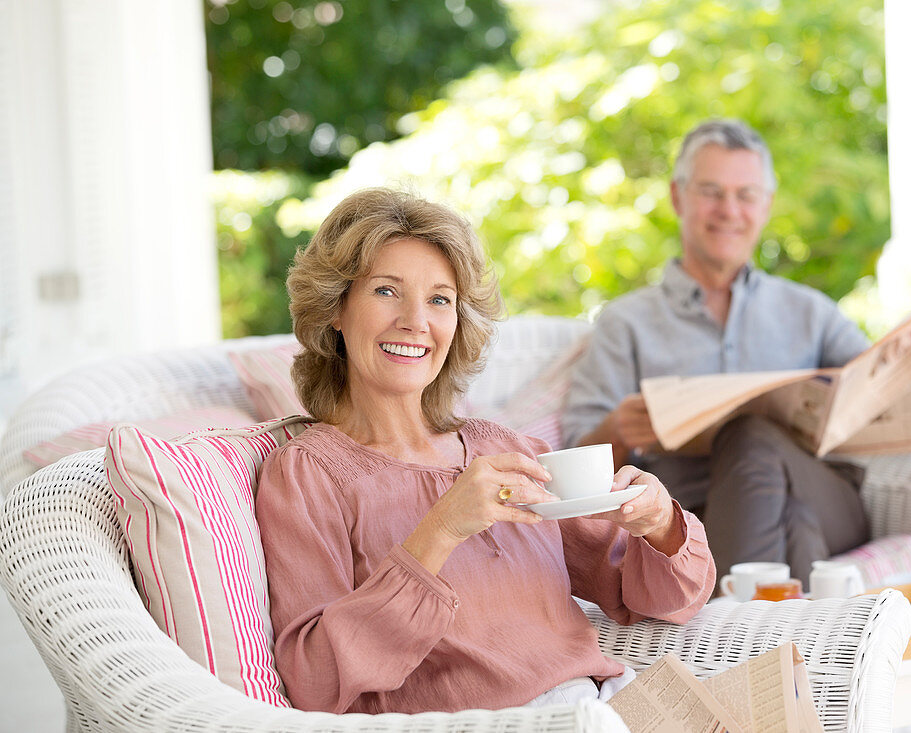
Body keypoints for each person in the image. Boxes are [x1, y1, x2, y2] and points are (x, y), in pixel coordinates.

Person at [254, 187, 715, 715]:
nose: (416, 321)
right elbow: (314, 678)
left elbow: (661, 599)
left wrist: (657, 524)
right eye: (386, 291)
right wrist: (442, 528)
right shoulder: (308, 475)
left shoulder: (508, 450)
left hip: (607, 706)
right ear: (336, 308)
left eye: (439, 299)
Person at [561, 119, 872, 585]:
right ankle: (800, 642)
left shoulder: (812, 312)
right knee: (795, 524)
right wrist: (618, 430)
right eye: (711, 191)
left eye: (746, 195)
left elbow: (877, 390)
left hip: (828, 497)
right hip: (690, 515)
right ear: (677, 196)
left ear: (765, 206)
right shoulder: (627, 322)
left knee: (753, 438)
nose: (729, 210)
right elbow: (573, 462)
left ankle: (725, 627)